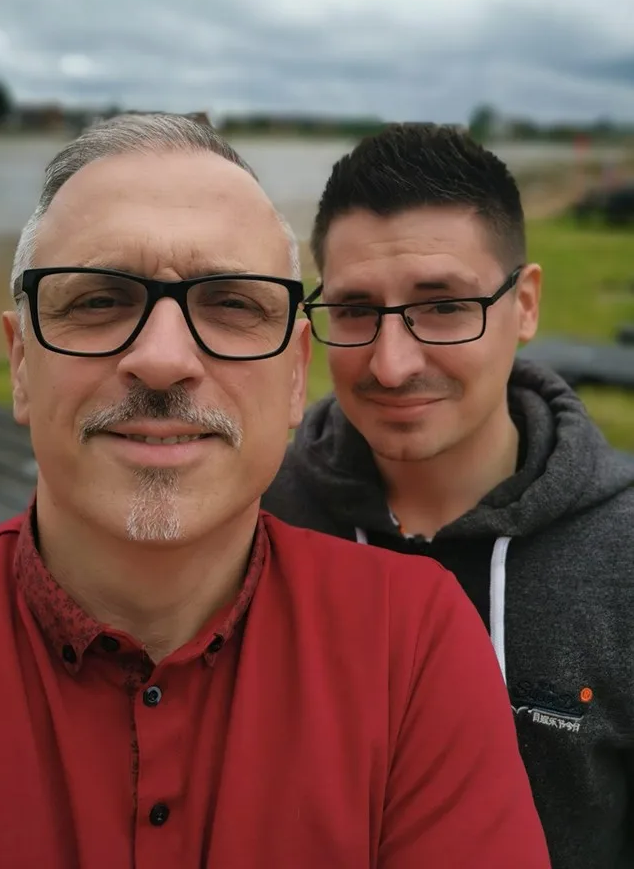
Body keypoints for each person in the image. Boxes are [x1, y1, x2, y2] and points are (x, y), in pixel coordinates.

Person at [0, 114, 550, 869]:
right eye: (98, 301)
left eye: (233, 305)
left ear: (295, 376)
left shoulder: (412, 643)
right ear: (20, 363)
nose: (163, 359)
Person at [263, 123, 634, 869]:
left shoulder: (622, 559)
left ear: (524, 305)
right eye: (356, 310)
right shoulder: (256, 520)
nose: (392, 365)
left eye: (443, 306)